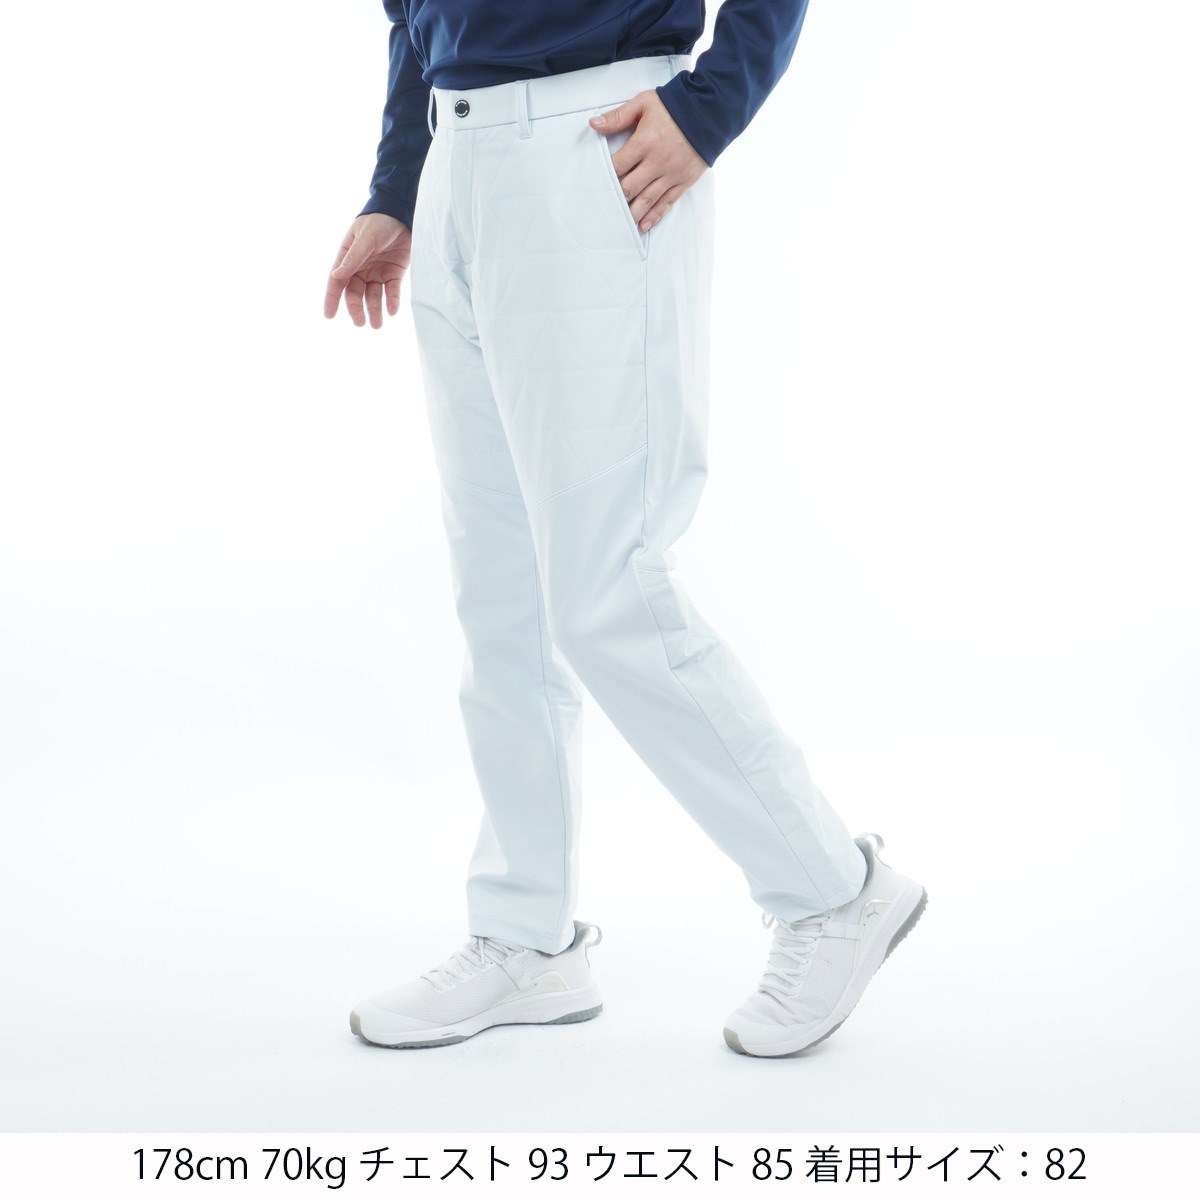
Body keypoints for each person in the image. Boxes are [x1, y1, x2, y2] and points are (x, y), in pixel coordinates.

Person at [325, 1, 927, 1058]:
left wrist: (710, 108)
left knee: (609, 587)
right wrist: (396, 184)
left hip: (596, 146)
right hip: (457, 160)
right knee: (501, 595)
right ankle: (527, 939)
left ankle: (834, 890)